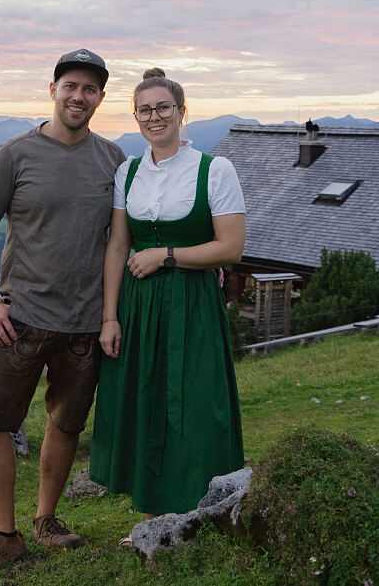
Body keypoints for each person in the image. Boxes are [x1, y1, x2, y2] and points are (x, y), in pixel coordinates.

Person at [0, 48, 125, 580]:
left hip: (85, 322)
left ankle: (46, 520)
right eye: (70, 86)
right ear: (53, 90)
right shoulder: (14, 154)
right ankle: (4, 534)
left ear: (100, 98)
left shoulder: (114, 159)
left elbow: (122, 236)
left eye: (90, 89)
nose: (79, 96)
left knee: (66, 421)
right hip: (20, 317)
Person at [89, 67, 246, 543]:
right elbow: (118, 245)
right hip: (138, 304)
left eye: (163, 108)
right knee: (146, 400)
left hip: (192, 304)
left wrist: (168, 255)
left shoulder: (214, 170)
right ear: (136, 116)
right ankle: (154, 514)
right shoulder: (128, 172)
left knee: (195, 402)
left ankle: (203, 509)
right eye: (145, 110)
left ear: (181, 112)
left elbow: (231, 248)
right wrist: (110, 317)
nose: (154, 117)